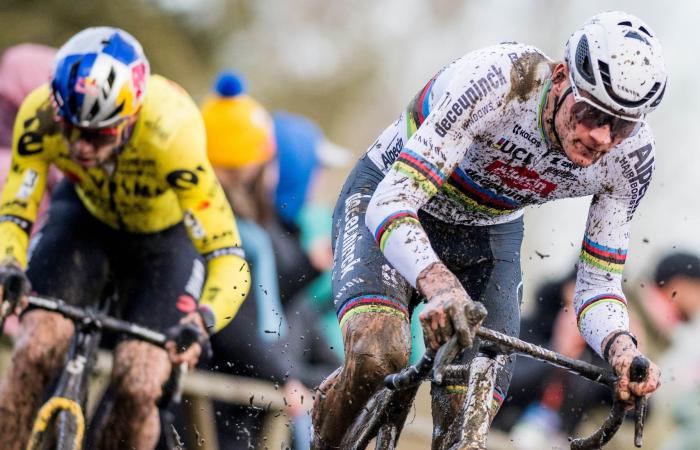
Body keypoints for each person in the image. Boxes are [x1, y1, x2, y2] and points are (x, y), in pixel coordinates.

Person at [312, 11, 667, 449]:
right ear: (560, 78)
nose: (601, 136)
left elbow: (596, 285)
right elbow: (394, 199)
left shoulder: (632, 158)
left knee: (470, 417)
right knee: (379, 355)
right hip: (394, 197)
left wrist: (621, 349)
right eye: (591, 112)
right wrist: (437, 281)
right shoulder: (500, 81)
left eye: (621, 124)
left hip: (487, 233)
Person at [0, 28, 251, 450]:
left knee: (140, 379)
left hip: (162, 241)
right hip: (84, 220)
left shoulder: (171, 131)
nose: (80, 147)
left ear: (130, 117)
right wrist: (9, 264)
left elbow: (230, 257)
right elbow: (17, 209)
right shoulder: (40, 114)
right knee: (36, 347)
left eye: (98, 135)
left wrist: (203, 320)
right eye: (72, 129)